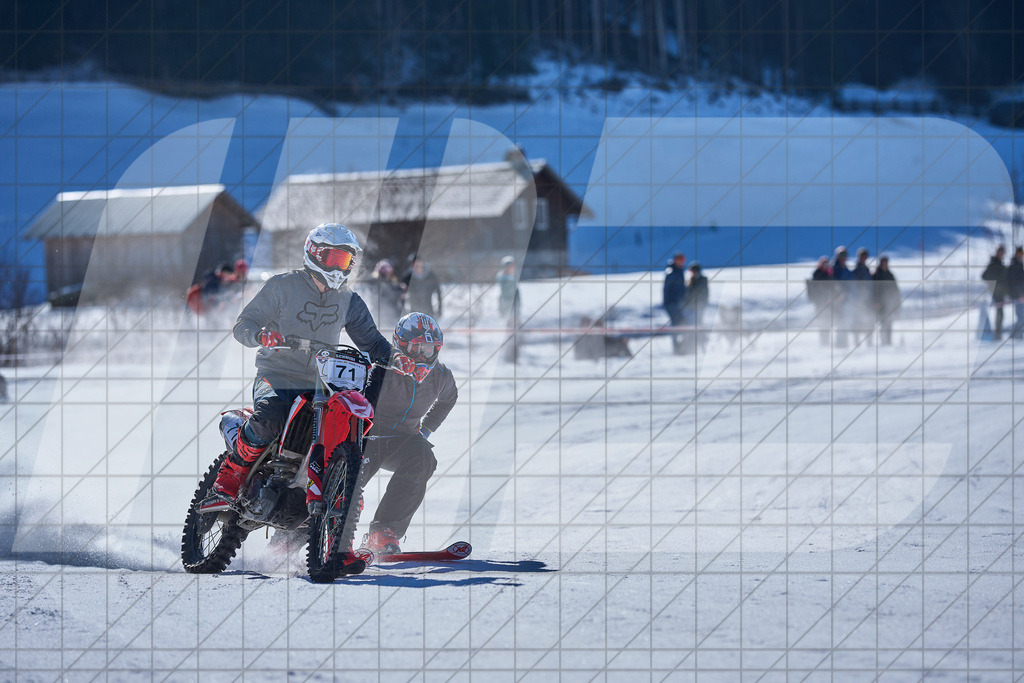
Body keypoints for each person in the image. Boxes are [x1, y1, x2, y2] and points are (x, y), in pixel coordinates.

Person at [202, 223, 393, 511]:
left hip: (324, 382)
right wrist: (260, 336)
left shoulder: (349, 300)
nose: (341, 269)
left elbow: (373, 342)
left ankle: (336, 493)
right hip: (277, 373)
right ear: (315, 254)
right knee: (271, 417)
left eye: (347, 261)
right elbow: (244, 324)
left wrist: (398, 358)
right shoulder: (282, 286)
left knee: (346, 425)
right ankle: (231, 474)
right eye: (335, 259)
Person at [358, 312, 459, 554]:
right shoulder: (381, 366)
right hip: (368, 434)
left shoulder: (441, 376)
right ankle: (314, 528)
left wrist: (425, 430)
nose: (424, 356)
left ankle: (384, 531)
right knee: (350, 481)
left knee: (424, 457)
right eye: (417, 348)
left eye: (429, 349)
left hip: (403, 440)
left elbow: (449, 400)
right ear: (401, 345)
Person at [362, 258, 406, 331]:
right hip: (379, 315)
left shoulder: (393, 281)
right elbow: (388, 295)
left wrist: (400, 288)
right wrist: (400, 295)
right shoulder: (374, 280)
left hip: (392, 315)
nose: (383, 268)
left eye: (386, 266)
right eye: (381, 266)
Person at [872, 255, 900, 346]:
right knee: (883, 323)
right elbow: (873, 290)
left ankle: (888, 341)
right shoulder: (876, 275)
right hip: (880, 304)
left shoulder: (890, 275)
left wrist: (897, 302)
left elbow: (895, 290)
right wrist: (875, 301)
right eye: (883, 262)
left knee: (889, 323)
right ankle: (883, 341)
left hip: (889, 303)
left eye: (886, 262)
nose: (884, 264)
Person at [982, 245, 1009, 340]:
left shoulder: (1001, 264)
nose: (1001, 254)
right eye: (1000, 252)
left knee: (1001, 313)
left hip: (1001, 292)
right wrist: (994, 282)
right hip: (995, 292)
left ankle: (998, 333)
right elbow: (984, 276)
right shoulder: (993, 264)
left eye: (1003, 252)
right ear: (997, 252)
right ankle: (996, 334)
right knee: (999, 313)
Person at [403, 255, 443, 320]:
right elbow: (401, 296)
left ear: (422, 263)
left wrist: (439, 311)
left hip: (428, 312)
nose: (417, 265)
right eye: (414, 264)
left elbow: (439, 294)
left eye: (418, 262)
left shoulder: (431, 276)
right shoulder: (407, 278)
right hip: (412, 313)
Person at [662, 252, 687, 354]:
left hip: (678, 303)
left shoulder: (679, 271)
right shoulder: (672, 272)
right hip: (672, 304)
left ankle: (682, 347)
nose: (682, 262)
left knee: (683, 324)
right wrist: (670, 303)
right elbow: (667, 290)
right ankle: (677, 349)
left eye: (683, 260)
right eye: (680, 260)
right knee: (677, 325)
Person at [807, 256, 834, 345]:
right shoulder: (817, 274)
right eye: (824, 264)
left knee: (828, 323)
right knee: (823, 322)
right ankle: (823, 342)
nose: (826, 265)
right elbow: (816, 290)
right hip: (820, 303)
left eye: (827, 264)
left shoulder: (829, 274)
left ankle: (826, 340)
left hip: (829, 303)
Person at [831, 246, 854, 347]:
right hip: (837, 301)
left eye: (845, 255)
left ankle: (844, 344)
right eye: (841, 255)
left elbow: (852, 285)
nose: (843, 257)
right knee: (839, 323)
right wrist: (838, 293)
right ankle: (839, 345)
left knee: (845, 322)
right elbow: (832, 283)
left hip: (847, 301)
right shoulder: (834, 269)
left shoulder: (847, 270)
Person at [684, 262, 709, 350]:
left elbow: (703, 294)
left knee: (698, 326)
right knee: (693, 327)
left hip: (698, 307)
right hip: (691, 308)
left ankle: (703, 345)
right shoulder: (690, 280)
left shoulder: (702, 280)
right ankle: (693, 346)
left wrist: (701, 305)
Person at [852, 247, 874, 346]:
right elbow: (853, 286)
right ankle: (857, 343)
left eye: (865, 256)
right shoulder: (856, 270)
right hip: (858, 300)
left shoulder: (867, 270)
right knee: (857, 321)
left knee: (869, 321)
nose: (864, 258)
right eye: (862, 256)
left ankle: (869, 342)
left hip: (868, 300)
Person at [496, 255, 520, 320]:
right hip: (506, 300)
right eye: (509, 266)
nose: (512, 268)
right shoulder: (501, 277)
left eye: (513, 266)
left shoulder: (514, 277)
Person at [1008, 247, 1024, 339]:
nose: (1020, 256)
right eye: (1019, 253)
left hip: (1021, 296)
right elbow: (1013, 283)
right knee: (1021, 318)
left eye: (1021, 254)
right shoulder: (1014, 267)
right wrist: (1019, 294)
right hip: (1018, 296)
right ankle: (1015, 335)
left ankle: (1017, 334)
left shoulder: (1020, 265)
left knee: (1021, 317)